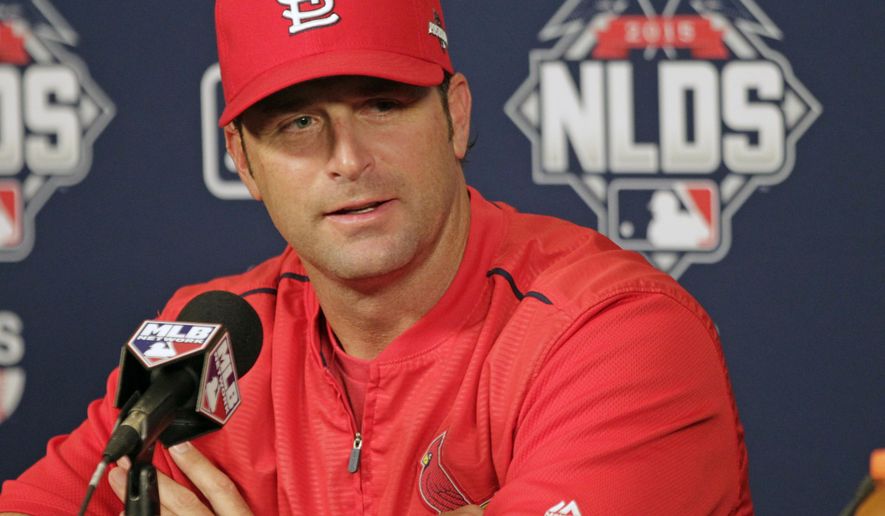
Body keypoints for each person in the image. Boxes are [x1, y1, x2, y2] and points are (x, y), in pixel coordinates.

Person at [0, 0, 753, 514]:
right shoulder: (209, 340)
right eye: (296, 122)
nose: (347, 158)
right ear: (242, 160)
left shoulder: (613, 331)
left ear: (454, 116)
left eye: (381, 105)